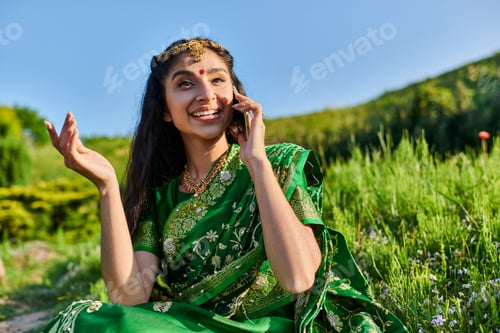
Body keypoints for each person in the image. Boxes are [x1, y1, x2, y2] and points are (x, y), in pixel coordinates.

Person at [42, 37, 408, 332]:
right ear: (166, 110)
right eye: (186, 84)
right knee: (88, 317)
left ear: (235, 95)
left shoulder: (278, 163)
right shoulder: (163, 198)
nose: (206, 94)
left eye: (218, 79)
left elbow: (298, 278)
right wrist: (107, 187)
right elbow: (127, 298)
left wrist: (258, 163)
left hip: (268, 326)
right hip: (192, 327)